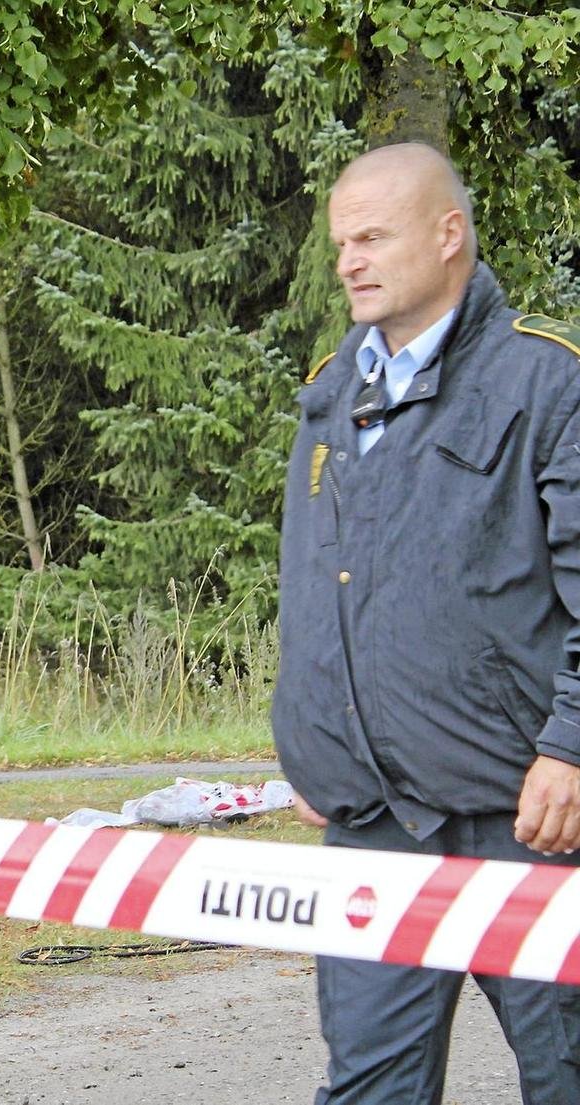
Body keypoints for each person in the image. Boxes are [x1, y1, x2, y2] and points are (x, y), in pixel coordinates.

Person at [274, 141, 580, 1103]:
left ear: (449, 235)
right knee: (369, 1089)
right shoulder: (330, 396)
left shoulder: (548, 381)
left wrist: (572, 746)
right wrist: (317, 741)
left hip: (526, 821)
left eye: (371, 237)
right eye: (340, 244)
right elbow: (319, 587)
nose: (348, 262)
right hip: (373, 825)